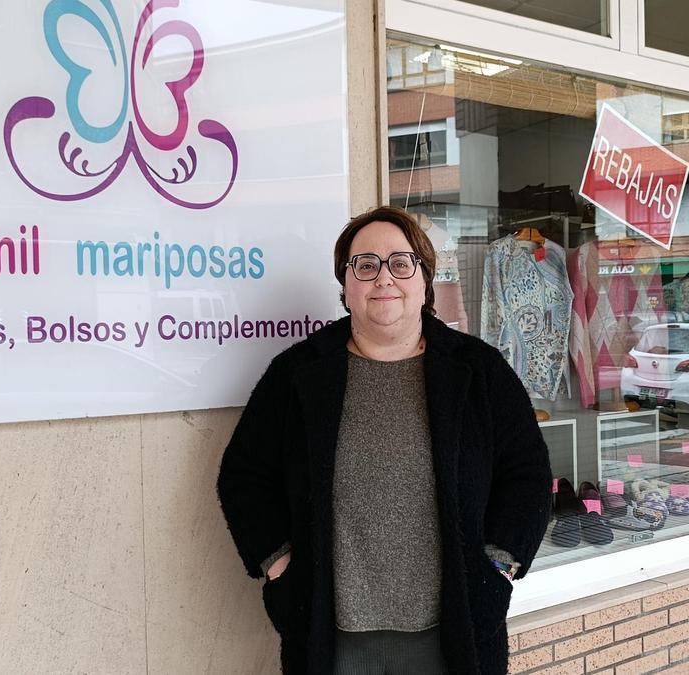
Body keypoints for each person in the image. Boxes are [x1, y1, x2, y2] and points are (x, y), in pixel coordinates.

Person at [217, 205, 552, 674]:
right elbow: (243, 477)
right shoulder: (298, 375)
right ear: (346, 284)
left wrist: (496, 567)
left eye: (401, 263)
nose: (384, 278)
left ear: (424, 280)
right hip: (331, 642)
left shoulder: (478, 371)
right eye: (366, 265)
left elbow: (528, 475)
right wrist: (280, 567)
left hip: (452, 635)